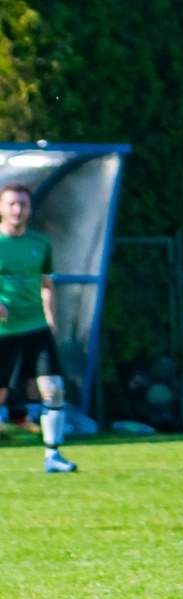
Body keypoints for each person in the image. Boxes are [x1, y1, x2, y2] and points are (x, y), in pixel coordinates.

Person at [0, 183, 75, 472]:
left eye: (23, 204)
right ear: (2, 208)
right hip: (4, 332)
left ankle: (53, 456)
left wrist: (50, 316)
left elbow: (46, 284)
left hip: (36, 328)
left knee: (53, 389)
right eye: (12, 204)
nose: (18, 210)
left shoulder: (40, 243)